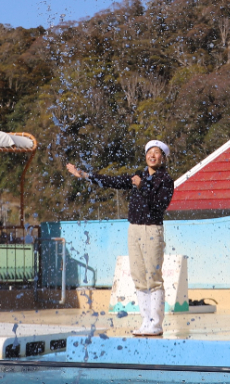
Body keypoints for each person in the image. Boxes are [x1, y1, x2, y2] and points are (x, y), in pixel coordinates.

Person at [67, 140, 174, 337]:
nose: (152, 155)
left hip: (152, 231)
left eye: (157, 152)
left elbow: (160, 205)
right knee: (139, 277)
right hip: (134, 229)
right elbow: (112, 181)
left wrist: (143, 187)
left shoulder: (165, 180)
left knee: (153, 277)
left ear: (163, 157)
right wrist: (84, 175)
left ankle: (156, 324)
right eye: (149, 152)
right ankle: (145, 322)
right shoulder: (138, 175)